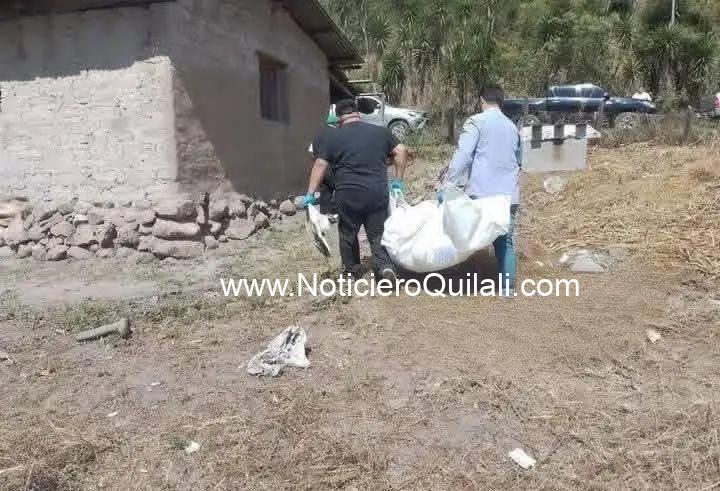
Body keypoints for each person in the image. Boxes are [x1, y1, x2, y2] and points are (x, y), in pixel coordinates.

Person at [304, 98, 408, 280]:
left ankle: (352, 272)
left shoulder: (331, 137)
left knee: (348, 234)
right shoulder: (381, 132)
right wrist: (398, 180)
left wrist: (310, 195)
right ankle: (384, 267)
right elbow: (401, 150)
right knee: (378, 233)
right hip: (376, 192)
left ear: (338, 117)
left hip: (347, 194)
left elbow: (320, 164)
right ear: (357, 113)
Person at [443, 85, 522, 296]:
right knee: (506, 240)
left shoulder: (476, 122)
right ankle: (507, 288)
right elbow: (519, 161)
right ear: (501, 102)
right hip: (509, 195)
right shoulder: (512, 127)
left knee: (472, 236)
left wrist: (450, 183)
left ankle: (469, 280)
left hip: (483, 193)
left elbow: (463, 156)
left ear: (481, 100)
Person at [308, 109, 340, 214]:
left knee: (325, 191)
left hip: (321, 169)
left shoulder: (318, 135)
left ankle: (325, 213)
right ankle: (336, 213)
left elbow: (311, 153)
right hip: (335, 168)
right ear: (336, 123)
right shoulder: (338, 133)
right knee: (340, 190)